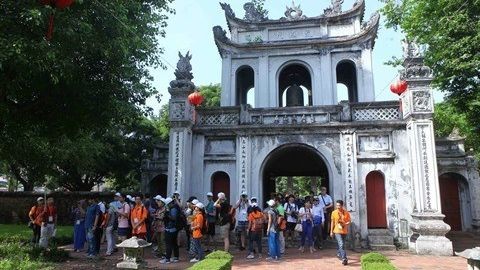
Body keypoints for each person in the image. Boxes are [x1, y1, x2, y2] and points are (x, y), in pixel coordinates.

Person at [330, 200, 351, 266]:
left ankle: (339, 252)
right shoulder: (334, 212)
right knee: (341, 243)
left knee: (342, 245)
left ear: (342, 205)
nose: (338, 207)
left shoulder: (346, 213)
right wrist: (331, 231)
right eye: (337, 205)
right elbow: (332, 222)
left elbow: (349, 221)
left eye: (339, 205)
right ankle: (344, 259)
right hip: (337, 231)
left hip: (344, 231)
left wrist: (346, 224)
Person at [160, 197, 180, 264]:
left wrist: (167, 214)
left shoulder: (173, 209)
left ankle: (167, 259)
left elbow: (173, 218)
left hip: (170, 229)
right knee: (174, 243)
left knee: (168, 244)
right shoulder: (175, 207)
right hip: (174, 229)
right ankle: (176, 257)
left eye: (168, 204)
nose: (167, 205)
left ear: (170, 203)